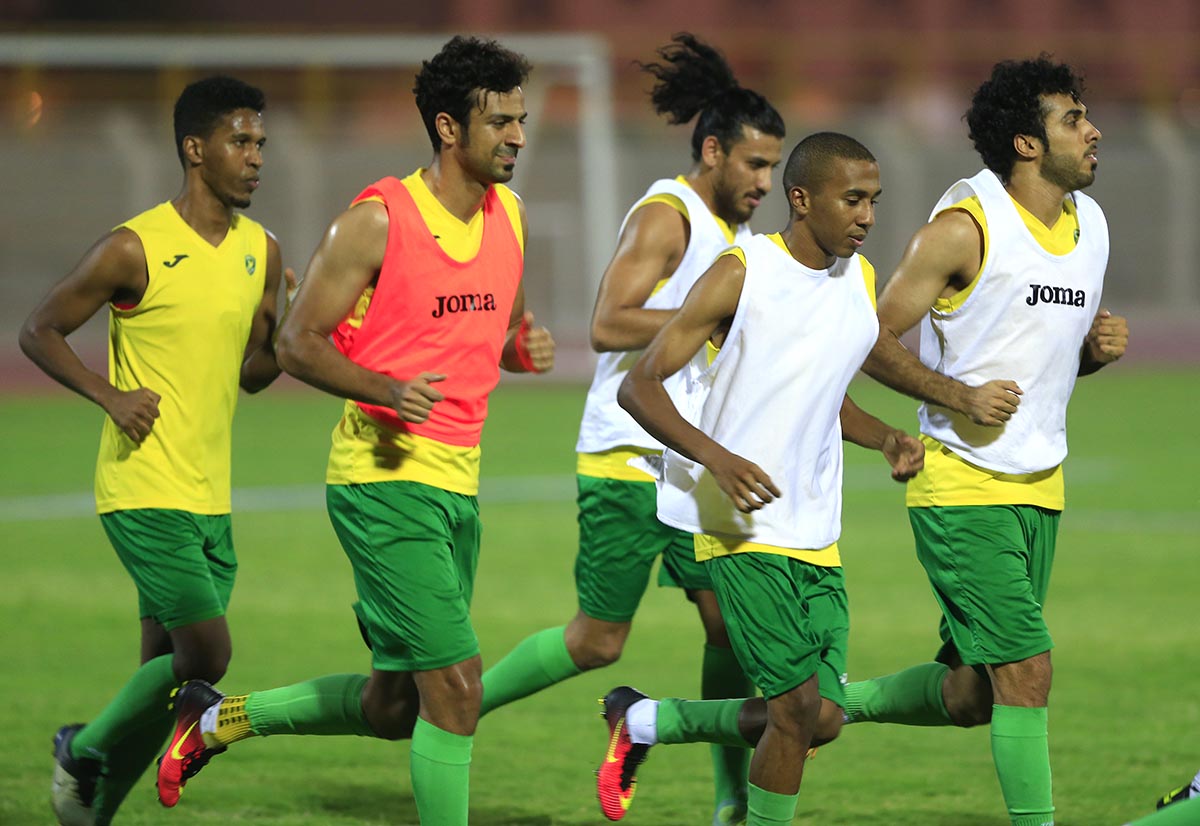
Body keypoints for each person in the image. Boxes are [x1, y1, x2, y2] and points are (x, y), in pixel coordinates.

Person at [153, 35, 554, 826]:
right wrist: (387, 390)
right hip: (382, 484)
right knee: (458, 688)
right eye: (500, 121)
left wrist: (520, 349)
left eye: (521, 120)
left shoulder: (509, 215)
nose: (517, 136)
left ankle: (217, 718)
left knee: (393, 708)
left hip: (458, 484)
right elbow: (296, 342)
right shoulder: (376, 222)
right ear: (448, 128)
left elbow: (495, 333)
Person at [477, 33, 783, 826]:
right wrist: (714, 319)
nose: (765, 181)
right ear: (712, 151)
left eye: (774, 167)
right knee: (597, 642)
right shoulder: (667, 215)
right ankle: (456, 707)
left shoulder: (740, 240)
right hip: (627, 457)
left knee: (731, 627)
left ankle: (730, 799)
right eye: (754, 164)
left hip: (691, 462)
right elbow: (609, 321)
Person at [836, 56, 1129, 826]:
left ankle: (824, 705)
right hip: (961, 485)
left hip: (1041, 487)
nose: (1093, 130)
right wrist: (956, 395)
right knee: (1028, 671)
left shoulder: (1091, 226)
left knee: (974, 694)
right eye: (1073, 119)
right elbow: (866, 337)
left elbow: (1036, 360)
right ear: (1027, 143)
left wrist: (1091, 356)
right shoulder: (964, 229)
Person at [606, 132, 925, 826]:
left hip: (817, 528)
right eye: (853, 200)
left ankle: (644, 721)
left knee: (824, 717)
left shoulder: (857, 280)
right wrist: (716, 458)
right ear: (801, 199)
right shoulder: (740, 272)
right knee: (795, 709)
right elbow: (640, 385)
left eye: (874, 200)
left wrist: (887, 437)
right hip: (743, 528)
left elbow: (824, 393)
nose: (868, 216)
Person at [19, 76, 290, 826]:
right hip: (142, 487)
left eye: (261, 143)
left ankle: (91, 810)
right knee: (207, 656)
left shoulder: (263, 251)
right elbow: (39, 330)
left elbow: (254, 373)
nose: (256, 157)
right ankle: (80, 745)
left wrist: (293, 332)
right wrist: (109, 395)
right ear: (195, 149)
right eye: (240, 141)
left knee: (163, 678)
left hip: (211, 494)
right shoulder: (133, 246)